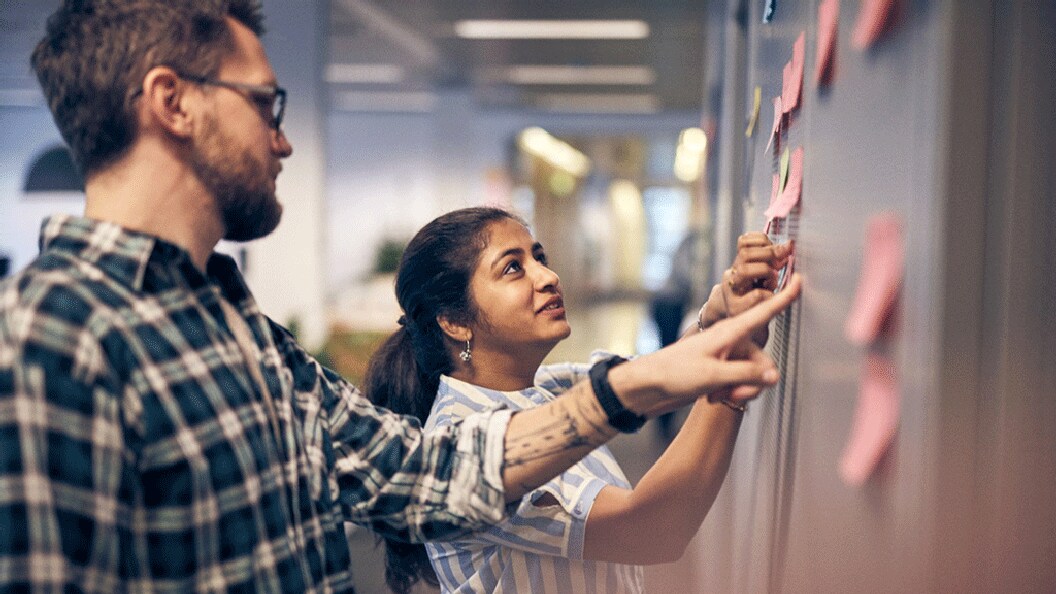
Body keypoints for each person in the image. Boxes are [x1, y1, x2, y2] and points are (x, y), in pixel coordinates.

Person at [0, 1, 800, 591]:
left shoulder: (244, 332)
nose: (281, 139)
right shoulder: (46, 341)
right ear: (173, 101)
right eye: (265, 105)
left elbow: (423, 471)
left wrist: (653, 377)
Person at [366, 207, 796, 594]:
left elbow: (656, 378)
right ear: (456, 321)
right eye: (513, 268)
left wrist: (721, 311)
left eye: (540, 258)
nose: (547, 277)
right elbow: (652, 530)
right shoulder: (465, 443)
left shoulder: (543, 388)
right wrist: (731, 380)